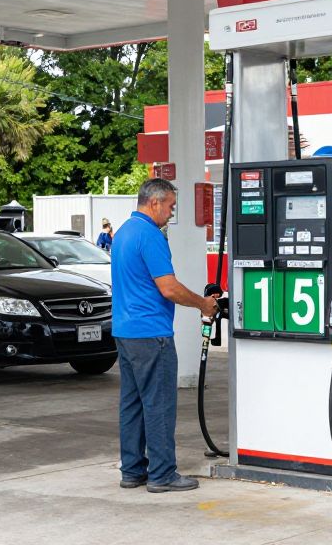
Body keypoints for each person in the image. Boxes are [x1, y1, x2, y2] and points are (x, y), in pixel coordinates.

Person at [111, 178, 219, 492]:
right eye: (170, 206)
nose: (171, 213)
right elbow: (168, 287)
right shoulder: (150, 235)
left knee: (131, 404)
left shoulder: (122, 233)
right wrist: (203, 304)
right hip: (151, 333)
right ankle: (162, 474)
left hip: (125, 332)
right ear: (155, 202)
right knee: (158, 404)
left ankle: (132, 470)